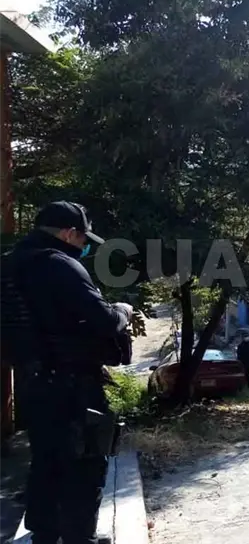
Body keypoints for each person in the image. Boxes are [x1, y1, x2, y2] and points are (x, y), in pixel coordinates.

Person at [2, 201, 133, 544]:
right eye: (82, 238)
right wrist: (123, 310)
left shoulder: (8, 266)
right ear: (68, 233)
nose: (84, 245)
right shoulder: (60, 265)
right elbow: (104, 320)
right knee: (85, 465)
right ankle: (79, 538)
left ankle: (44, 536)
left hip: (31, 384)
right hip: (74, 386)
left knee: (46, 462)